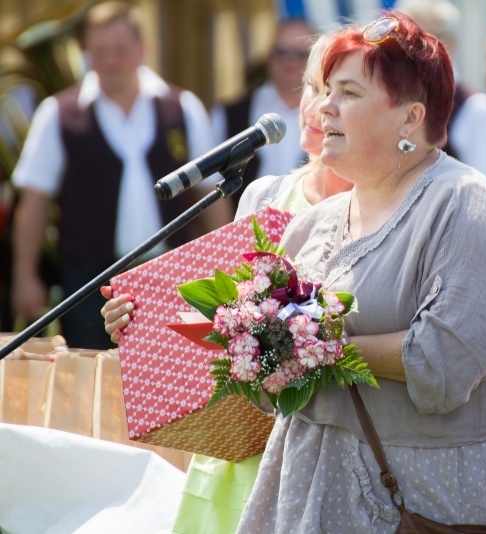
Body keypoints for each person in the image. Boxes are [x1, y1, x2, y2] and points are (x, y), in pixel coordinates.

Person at [230, 11, 486, 532]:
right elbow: (268, 390)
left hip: (424, 503)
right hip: (305, 495)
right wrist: (255, 348)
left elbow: (448, 362)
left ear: (410, 119)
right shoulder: (311, 225)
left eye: (348, 92)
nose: (324, 107)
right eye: (325, 90)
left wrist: (310, 345)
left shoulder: (463, 204)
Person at [101, 33, 352, 533]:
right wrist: (140, 319)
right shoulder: (264, 193)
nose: (314, 105)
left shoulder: (372, 208)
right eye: (310, 87)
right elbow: (223, 320)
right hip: (237, 443)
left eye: (338, 92)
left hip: (319, 445)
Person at [11, 1, 230, 349]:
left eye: (119, 50)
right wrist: (25, 276)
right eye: (99, 51)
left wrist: (226, 271)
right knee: (88, 387)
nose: (110, 61)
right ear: (86, 53)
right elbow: (34, 203)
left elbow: (210, 197)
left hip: (171, 280)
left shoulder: (183, 107)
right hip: (87, 284)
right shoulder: (56, 114)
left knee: (167, 390)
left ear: (142, 48)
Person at [394, 0, 486, 198]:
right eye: (399, 40)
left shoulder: (478, 109)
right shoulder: (393, 101)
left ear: (448, 43)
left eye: (417, 39)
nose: (406, 50)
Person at [209, 17, 317, 208]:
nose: (290, 61)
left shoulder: (329, 114)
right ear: (269, 56)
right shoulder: (230, 113)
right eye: (281, 52)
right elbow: (210, 185)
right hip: (245, 231)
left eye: (301, 54)